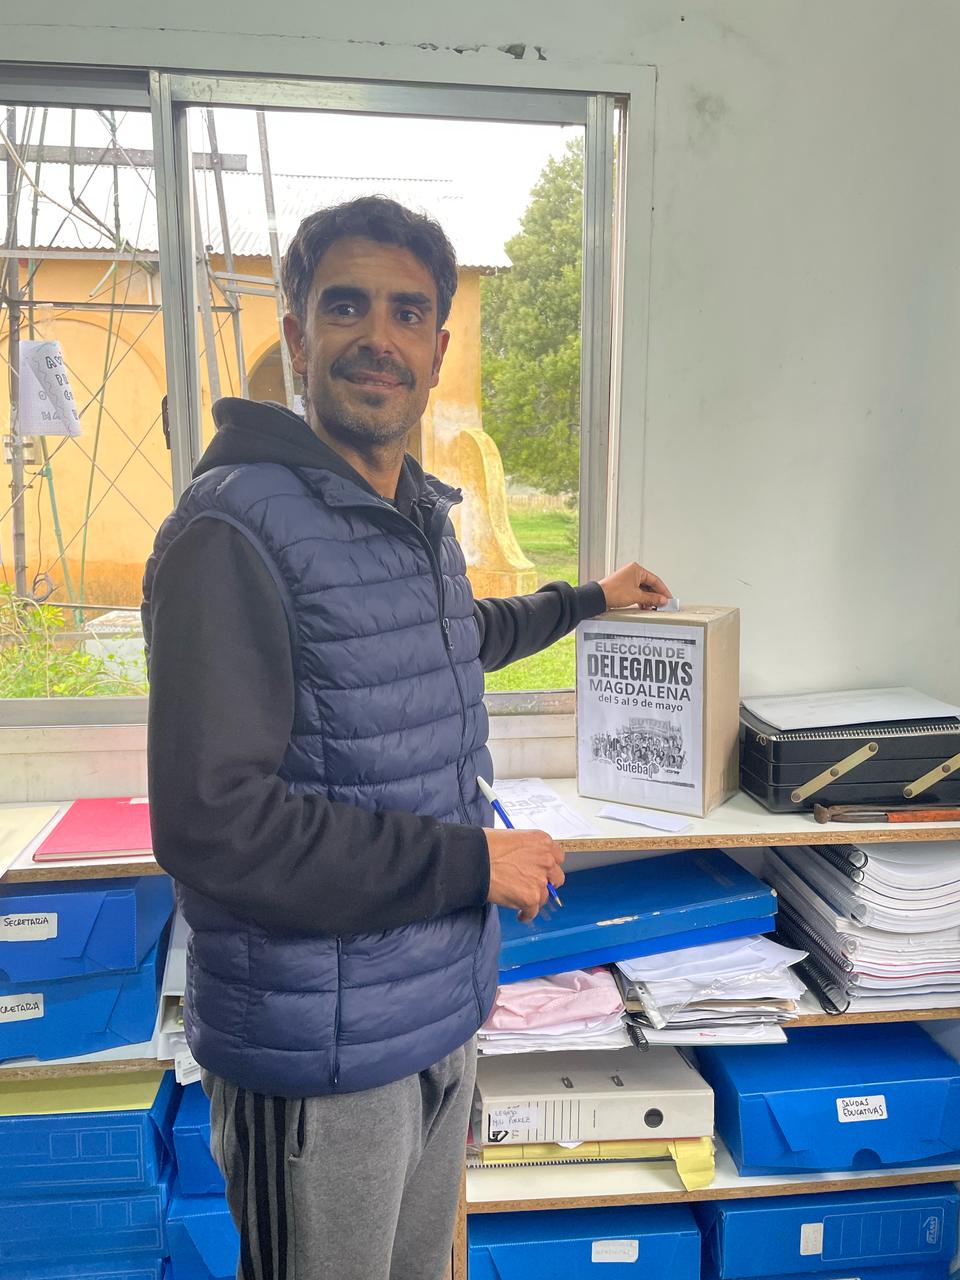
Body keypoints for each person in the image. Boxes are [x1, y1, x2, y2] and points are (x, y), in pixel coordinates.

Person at [143, 195, 671, 1280]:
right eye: (346, 307)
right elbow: (217, 827)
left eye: (406, 313)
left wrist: (588, 600)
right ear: (297, 337)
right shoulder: (232, 531)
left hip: (433, 1014)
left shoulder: (407, 515)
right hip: (318, 1056)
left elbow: (453, 635)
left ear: (436, 348)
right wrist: (475, 861)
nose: (377, 337)